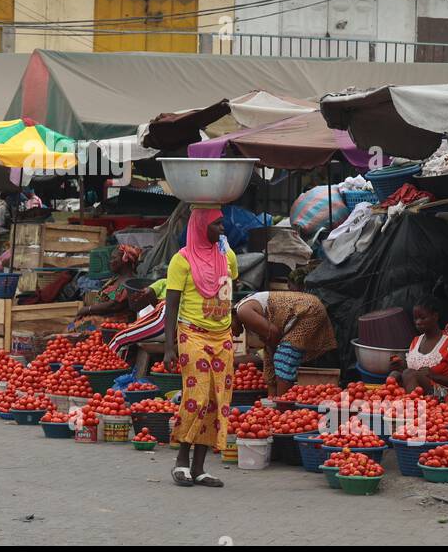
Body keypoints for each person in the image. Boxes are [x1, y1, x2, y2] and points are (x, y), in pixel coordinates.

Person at [163, 208, 238, 488]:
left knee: (217, 400)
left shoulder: (227, 256)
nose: (222, 228)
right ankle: (181, 461)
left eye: (221, 223)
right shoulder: (180, 261)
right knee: (197, 397)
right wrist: (169, 347)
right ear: (200, 226)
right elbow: (171, 306)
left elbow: (228, 292)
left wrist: (230, 322)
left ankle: (200, 468)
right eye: (216, 224)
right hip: (192, 335)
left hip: (222, 337)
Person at [232, 291, 338, 397]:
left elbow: (274, 333)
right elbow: (269, 343)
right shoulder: (242, 310)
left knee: (283, 358)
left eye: (228, 329)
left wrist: (275, 354)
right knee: (272, 361)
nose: (232, 335)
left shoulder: (243, 312)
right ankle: (275, 403)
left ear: (229, 318)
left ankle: (283, 405)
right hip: (305, 312)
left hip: (308, 311)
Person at [387, 295, 448, 403]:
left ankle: (414, 412)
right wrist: (399, 367)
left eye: (422, 318)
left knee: (409, 374)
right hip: (416, 394)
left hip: (442, 398)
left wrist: (433, 376)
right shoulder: (415, 342)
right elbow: (411, 373)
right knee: (394, 375)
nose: (418, 322)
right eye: (415, 318)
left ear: (435, 316)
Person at [71, 244, 143, 330]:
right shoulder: (116, 279)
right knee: (71, 327)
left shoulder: (129, 283)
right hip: (102, 319)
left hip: (116, 324)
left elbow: (114, 305)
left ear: (125, 260)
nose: (110, 261)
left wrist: (87, 309)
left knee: (75, 329)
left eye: (113, 258)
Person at [107, 278, 168, 360]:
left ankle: (105, 364)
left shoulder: (177, 289)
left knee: (119, 338)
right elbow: (149, 292)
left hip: (166, 323)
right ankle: (116, 365)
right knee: (125, 336)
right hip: (159, 320)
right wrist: (148, 294)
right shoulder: (163, 282)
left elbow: (114, 304)